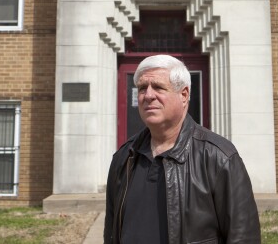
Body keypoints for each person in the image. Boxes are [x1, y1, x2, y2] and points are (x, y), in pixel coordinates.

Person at [104, 54, 261, 244]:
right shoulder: (124, 157)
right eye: (142, 88)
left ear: (184, 95)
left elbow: (243, 237)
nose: (148, 95)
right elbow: (111, 232)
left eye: (159, 87)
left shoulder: (219, 157)